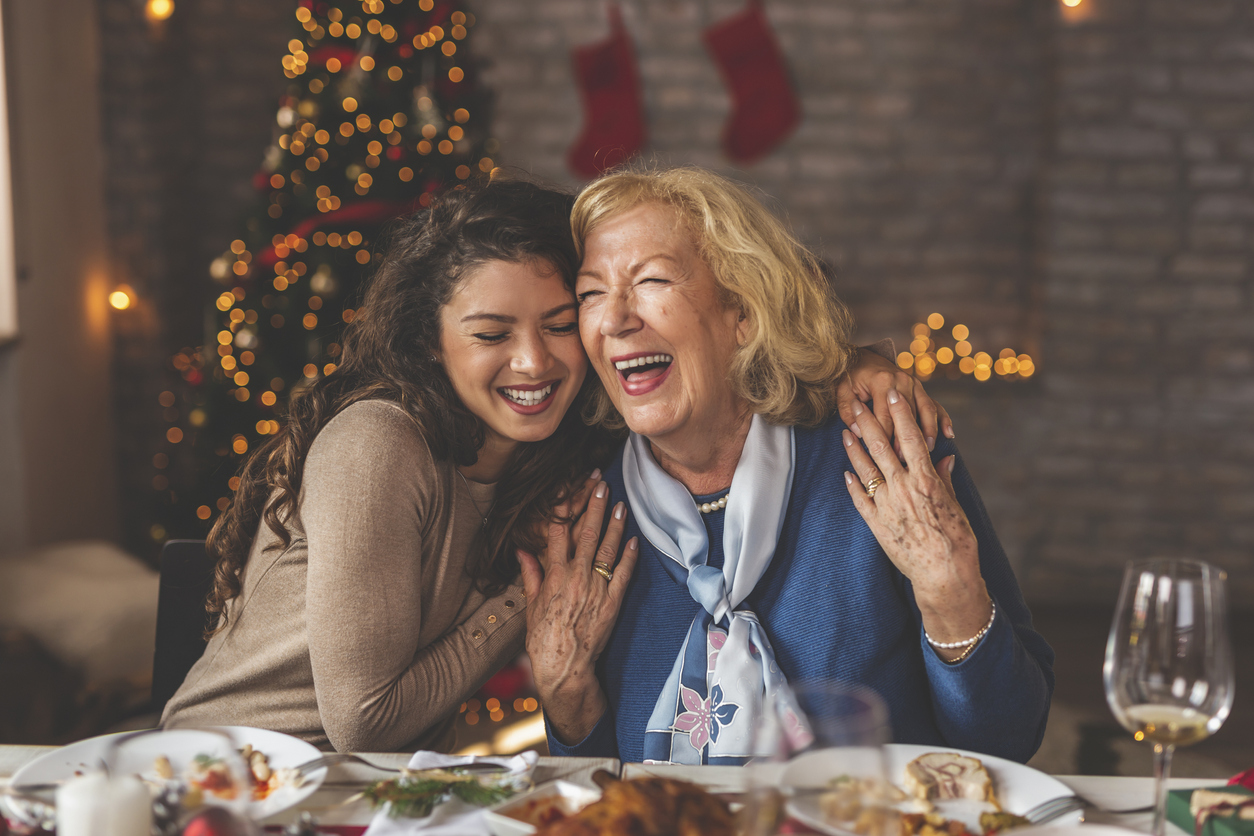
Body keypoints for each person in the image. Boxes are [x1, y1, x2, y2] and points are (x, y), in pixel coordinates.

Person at [162, 177, 940, 752]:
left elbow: (739, 362)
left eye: (562, 322)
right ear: (433, 343)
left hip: (370, 786)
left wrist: (859, 366)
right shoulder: (380, 443)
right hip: (232, 775)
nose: (533, 362)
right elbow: (364, 723)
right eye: (491, 333)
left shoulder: (571, 450)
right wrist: (517, 597)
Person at [522, 167, 1054, 765]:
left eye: (652, 280)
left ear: (743, 313)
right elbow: (591, 791)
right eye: (591, 292)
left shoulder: (880, 450)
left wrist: (950, 593)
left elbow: (1010, 739)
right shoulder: (587, 508)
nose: (614, 319)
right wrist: (565, 696)